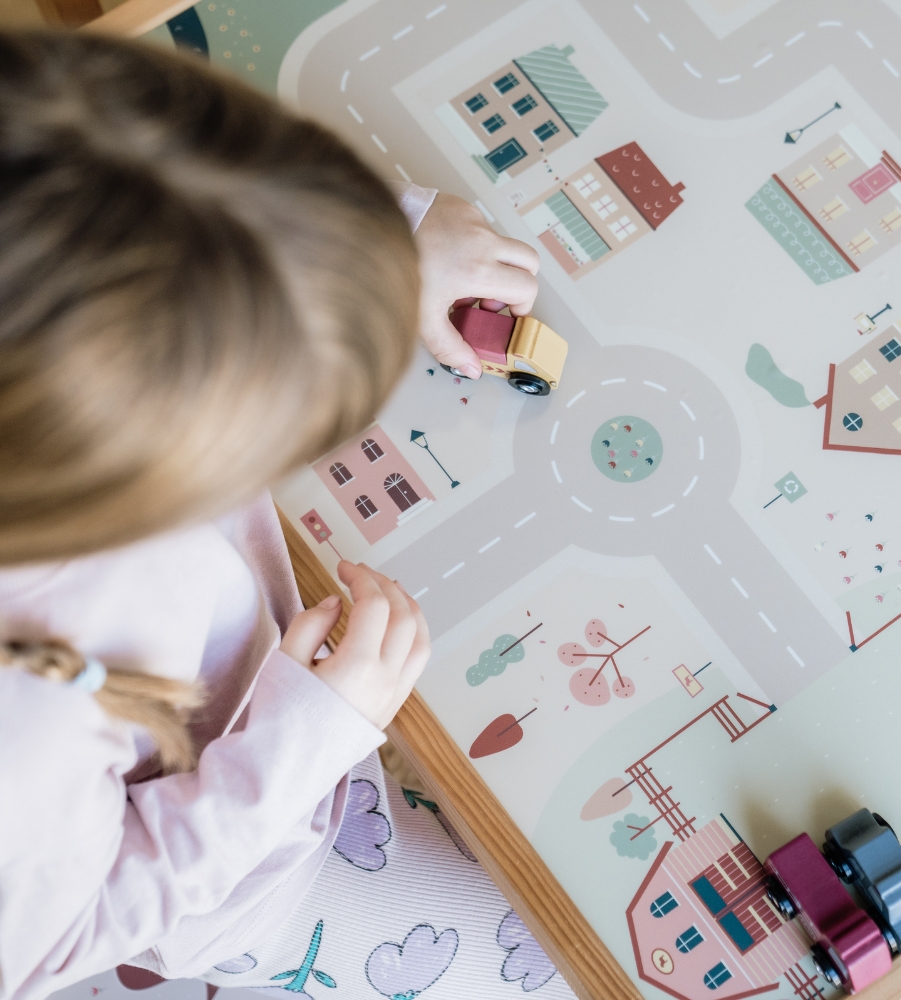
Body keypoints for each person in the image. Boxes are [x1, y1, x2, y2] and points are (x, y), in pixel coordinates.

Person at [0, 29, 573, 1000]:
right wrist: (300, 741)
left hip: (276, 688)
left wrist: (360, 247)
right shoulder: (27, 743)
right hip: (249, 866)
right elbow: (59, 939)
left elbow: (131, 169)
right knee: (547, 967)